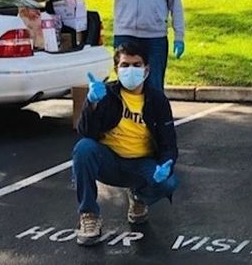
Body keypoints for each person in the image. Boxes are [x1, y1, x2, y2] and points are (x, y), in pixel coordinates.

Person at [72, 42, 178, 246]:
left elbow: (169, 143)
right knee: (83, 149)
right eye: (125, 65)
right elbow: (86, 133)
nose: (131, 70)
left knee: (169, 182)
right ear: (116, 69)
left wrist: (167, 164)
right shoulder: (106, 94)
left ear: (146, 70)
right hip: (109, 161)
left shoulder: (157, 100)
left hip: (141, 164)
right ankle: (89, 214)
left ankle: (139, 196)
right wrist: (91, 104)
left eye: (137, 65)